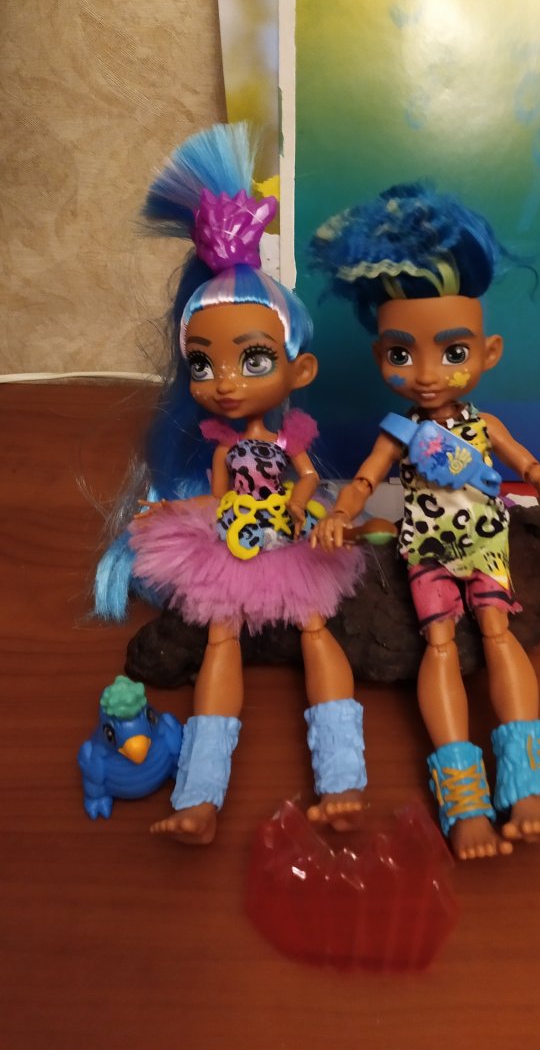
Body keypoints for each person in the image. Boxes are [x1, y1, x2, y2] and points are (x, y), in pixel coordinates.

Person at [310, 183, 540, 860]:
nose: (426, 374)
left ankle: (526, 783)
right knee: (440, 643)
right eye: (401, 353)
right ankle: (463, 798)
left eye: (452, 353)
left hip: (485, 544)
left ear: (488, 352)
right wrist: (339, 515)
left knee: (499, 634)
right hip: (426, 552)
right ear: (381, 356)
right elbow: (364, 479)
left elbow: (535, 469)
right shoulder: (399, 431)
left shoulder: (484, 425)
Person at [94, 124, 367, 845]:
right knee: (220, 639)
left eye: (253, 361)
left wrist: (305, 508)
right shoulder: (220, 444)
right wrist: (171, 511)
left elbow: (306, 480)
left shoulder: (289, 439)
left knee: (315, 629)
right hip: (234, 536)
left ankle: (343, 779)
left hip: (285, 536)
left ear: (299, 370)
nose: (223, 383)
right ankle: (199, 795)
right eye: (202, 364)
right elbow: (217, 492)